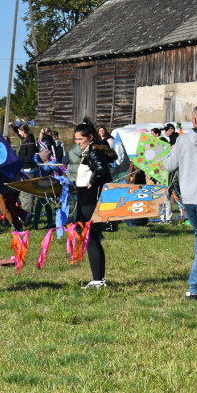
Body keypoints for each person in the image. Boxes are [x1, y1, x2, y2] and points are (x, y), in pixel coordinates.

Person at [164, 105, 197, 300]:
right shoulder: (181, 140)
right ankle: (194, 287)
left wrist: (173, 150)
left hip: (188, 198)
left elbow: (169, 165)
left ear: (194, 121)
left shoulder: (181, 141)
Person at [72, 120, 117, 289]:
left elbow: (102, 170)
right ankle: (98, 278)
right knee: (92, 239)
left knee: (92, 239)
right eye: (75, 139)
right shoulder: (89, 152)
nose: (77, 143)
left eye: (80, 139)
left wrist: (93, 180)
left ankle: (98, 280)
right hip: (86, 200)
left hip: (91, 202)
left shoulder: (93, 152)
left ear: (90, 137)